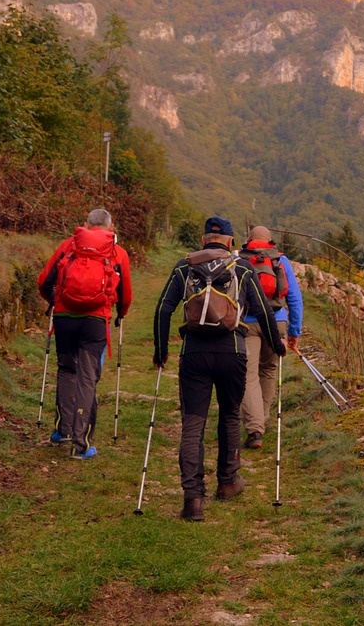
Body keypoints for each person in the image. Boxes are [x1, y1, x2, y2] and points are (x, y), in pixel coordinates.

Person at [152, 216, 285, 521]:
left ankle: (193, 500)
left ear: (203, 240)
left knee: (193, 424)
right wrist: (277, 345)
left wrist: (161, 351)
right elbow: (264, 310)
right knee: (229, 415)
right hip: (232, 351)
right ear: (229, 242)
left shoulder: (184, 266)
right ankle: (227, 482)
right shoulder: (241, 267)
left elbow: (163, 308)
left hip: (194, 353)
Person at [37, 208, 132, 460]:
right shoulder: (117, 252)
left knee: (67, 370)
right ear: (111, 228)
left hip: (65, 317)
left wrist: (56, 301)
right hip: (95, 319)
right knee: (87, 378)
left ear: (85, 225)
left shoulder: (68, 246)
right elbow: (125, 293)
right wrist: (120, 313)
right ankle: (81, 444)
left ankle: (62, 430)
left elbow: (44, 280)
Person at [238, 225, 303, 449]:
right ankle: (261, 420)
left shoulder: (239, 259)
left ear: (249, 240)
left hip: (247, 323)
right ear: (270, 241)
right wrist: (294, 332)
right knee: (268, 370)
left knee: (248, 374)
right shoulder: (280, 260)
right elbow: (294, 297)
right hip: (277, 321)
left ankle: (255, 429)